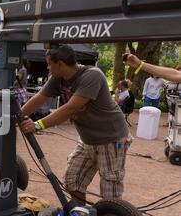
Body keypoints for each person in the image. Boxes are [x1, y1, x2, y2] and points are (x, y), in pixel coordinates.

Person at [20, 45, 131, 204]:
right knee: (72, 181)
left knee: (110, 189)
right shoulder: (57, 78)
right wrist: (16, 116)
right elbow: (39, 97)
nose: (47, 67)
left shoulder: (92, 75)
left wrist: (37, 125)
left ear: (60, 64)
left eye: (50, 64)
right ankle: (80, 213)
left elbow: (71, 108)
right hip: (88, 139)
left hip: (111, 137)